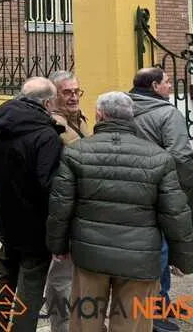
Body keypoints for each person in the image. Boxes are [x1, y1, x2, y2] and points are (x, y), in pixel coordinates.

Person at [47, 91, 193, 332]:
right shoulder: (159, 157)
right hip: (140, 259)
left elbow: (61, 205)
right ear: (131, 116)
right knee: (132, 324)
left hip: (90, 255)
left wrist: (58, 246)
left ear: (99, 115)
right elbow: (175, 212)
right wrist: (183, 259)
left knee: (85, 322)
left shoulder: (77, 152)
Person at [0, 77, 64, 332]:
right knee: (31, 286)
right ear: (47, 103)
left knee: (5, 275)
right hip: (36, 226)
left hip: (7, 216)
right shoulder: (47, 134)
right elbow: (49, 185)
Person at [128, 67, 193, 332]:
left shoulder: (122, 108)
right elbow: (181, 156)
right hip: (160, 192)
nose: (170, 86)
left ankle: (158, 305)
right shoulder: (167, 113)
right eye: (166, 82)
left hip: (128, 192)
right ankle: (156, 315)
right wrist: (184, 189)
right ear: (154, 86)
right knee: (161, 250)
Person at [43, 71, 93, 332]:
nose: (74, 97)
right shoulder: (52, 128)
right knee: (61, 275)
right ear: (54, 96)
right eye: (67, 92)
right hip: (64, 209)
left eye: (76, 91)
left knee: (77, 275)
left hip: (83, 209)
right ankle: (61, 325)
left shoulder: (80, 119)